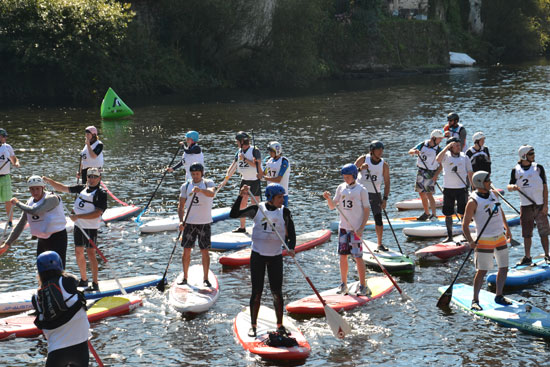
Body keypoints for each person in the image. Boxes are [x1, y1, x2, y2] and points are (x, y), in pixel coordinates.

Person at [229, 183, 296, 338]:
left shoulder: (285, 211)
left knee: (277, 293)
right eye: (279, 197)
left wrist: (291, 248)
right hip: (258, 255)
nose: (282, 200)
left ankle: (280, 325)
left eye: (283, 197)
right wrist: (241, 196)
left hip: (275, 256)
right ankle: (253, 326)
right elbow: (234, 214)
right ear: (271, 197)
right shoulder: (257, 209)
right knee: (256, 292)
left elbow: (291, 233)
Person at [43, 168, 107, 291]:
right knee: (78, 252)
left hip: (90, 227)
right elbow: (62, 188)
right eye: (90, 177)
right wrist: (49, 181)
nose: (92, 179)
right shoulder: (81, 188)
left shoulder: (101, 193)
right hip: (78, 225)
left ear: (99, 179)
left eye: (94, 177)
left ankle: (95, 283)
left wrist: (78, 216)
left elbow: (97, 213)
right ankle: (84, 280)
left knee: (91, 253)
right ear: (87, 178)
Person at [462, 171, 512, 310]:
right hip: (484, 240)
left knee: (504, 268)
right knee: (482, 271)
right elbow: (465, 225)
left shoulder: (493, 194)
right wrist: (471, 241)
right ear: (479, 183)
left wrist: (507, 228)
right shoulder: (473, 201)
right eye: (488, 180)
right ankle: (475, 300)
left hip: (499, 237)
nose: (490, 181)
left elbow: (500, 211)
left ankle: (499, 295)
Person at [32, 251, 90, 367]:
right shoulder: (68, 281)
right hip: (80, 348)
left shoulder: (36, 296)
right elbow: (75, 280)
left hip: (56, 351)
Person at [323, 164, 370, 296]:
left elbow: (367, 210)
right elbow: (333, 206)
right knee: (343, 256)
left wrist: (361, 228)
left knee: (357, 257)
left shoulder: (362, 190)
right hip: (343, 228)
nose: (345, 179)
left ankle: (363, 285)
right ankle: (343, 284)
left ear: (354, 176)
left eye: (348, 177)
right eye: (344, 176)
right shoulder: (341, 188)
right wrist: (328, 199)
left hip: (355, 229)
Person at [0, 176, 68, 266]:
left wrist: (17, 203)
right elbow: (20, 225)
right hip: (42, 240)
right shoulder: (29, 202)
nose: (35, 192)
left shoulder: (52, 198)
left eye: (37, 189)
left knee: (58, 269)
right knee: (42, 270)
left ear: (43, 188)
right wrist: (7, 244)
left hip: (57, 238)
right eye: (32, 189)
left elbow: (35, 211)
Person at [507, 145, 550, 265]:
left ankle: (547, 254)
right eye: (531, 154)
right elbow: (509, 186)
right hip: (525, 206)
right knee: (527, 233)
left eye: (533, 153)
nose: (534, 156)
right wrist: (513, 187)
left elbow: (545, 188)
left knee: (544, 232)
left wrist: (545, 205)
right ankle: (527, 257)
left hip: (539, 205)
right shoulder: (515, 170)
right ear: (524, 156)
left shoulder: (538, 168)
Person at [177, 162, 215, 286]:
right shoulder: (186, 185)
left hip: (204, 222)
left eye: (197, 174)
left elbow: (212, 193)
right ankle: (185, 278)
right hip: (189, 223)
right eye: (193, 174)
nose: (195, 176)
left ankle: (205, 279)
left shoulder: (208, 183)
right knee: (186, 250)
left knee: (204, 250)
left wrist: (200, 190)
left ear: (202, 173)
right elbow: (181, 205)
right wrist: (181, 221)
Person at [220, 131, 263, 233]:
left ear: (242, 141)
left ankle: (257, 226)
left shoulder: (255, 150)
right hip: (244, 179)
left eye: (237, 141)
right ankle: (242, 227)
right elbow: (233, 165)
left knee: (255, 204)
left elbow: (256, 165)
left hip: (254, 180)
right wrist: (226, 178)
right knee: (242, 203)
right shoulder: (239, 151)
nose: (236, 143)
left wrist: (245, 159)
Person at [436, 137, 473, 242]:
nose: (458, 147)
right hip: (448, 189)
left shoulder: (464, 157)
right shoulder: (445, 156)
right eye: (456, 145)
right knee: (448, 213)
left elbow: (470, 172)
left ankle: (465, 235)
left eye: (459, 145)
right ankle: (449, 236)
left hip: (461, 189)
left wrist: (473, 187)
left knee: (463, 212)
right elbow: (438, 159)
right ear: (451, 147)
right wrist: (446, 147)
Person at [354, 140, 390, 251]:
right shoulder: (363, 159)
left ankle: (380, 244)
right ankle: (355, 242)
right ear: (372, 151)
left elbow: (387, 182)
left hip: (375, 194)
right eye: (378, 149)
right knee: (358, 219)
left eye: (381, 150)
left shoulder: (384, 165)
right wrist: (360, 169)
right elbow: (350, 173)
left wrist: (385, 199)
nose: (380, 152)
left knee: (378, 218)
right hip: (361, 192)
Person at [408, 129, 444, 221]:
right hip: (421, 170)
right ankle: (426, 213)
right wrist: (414, 152)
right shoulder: (423, 144)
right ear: (434, 138)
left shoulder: (439, 150)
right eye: (439, 139)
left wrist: (436, 176)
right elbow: (410, 151)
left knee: (429, 194)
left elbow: (441, 166)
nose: (441, 140)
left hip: (430, 173)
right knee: (421, 193)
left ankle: (434, 215)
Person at [0, 128, 20, 227]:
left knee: (8, 200)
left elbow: (14, 158)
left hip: (6, 177)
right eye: (4, 136)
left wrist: (16, 163)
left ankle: (10, 222)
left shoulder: (7, 147)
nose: (6, 138)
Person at [263, 141, 291, 207]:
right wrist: (258, 163)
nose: (269, 153)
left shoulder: (284, 161)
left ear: (277, 151)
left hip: (281, 196)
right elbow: (264, 173)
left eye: (271, 151)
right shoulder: (269, 161)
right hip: (270, 195)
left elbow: (278, 179)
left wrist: (265, 178)